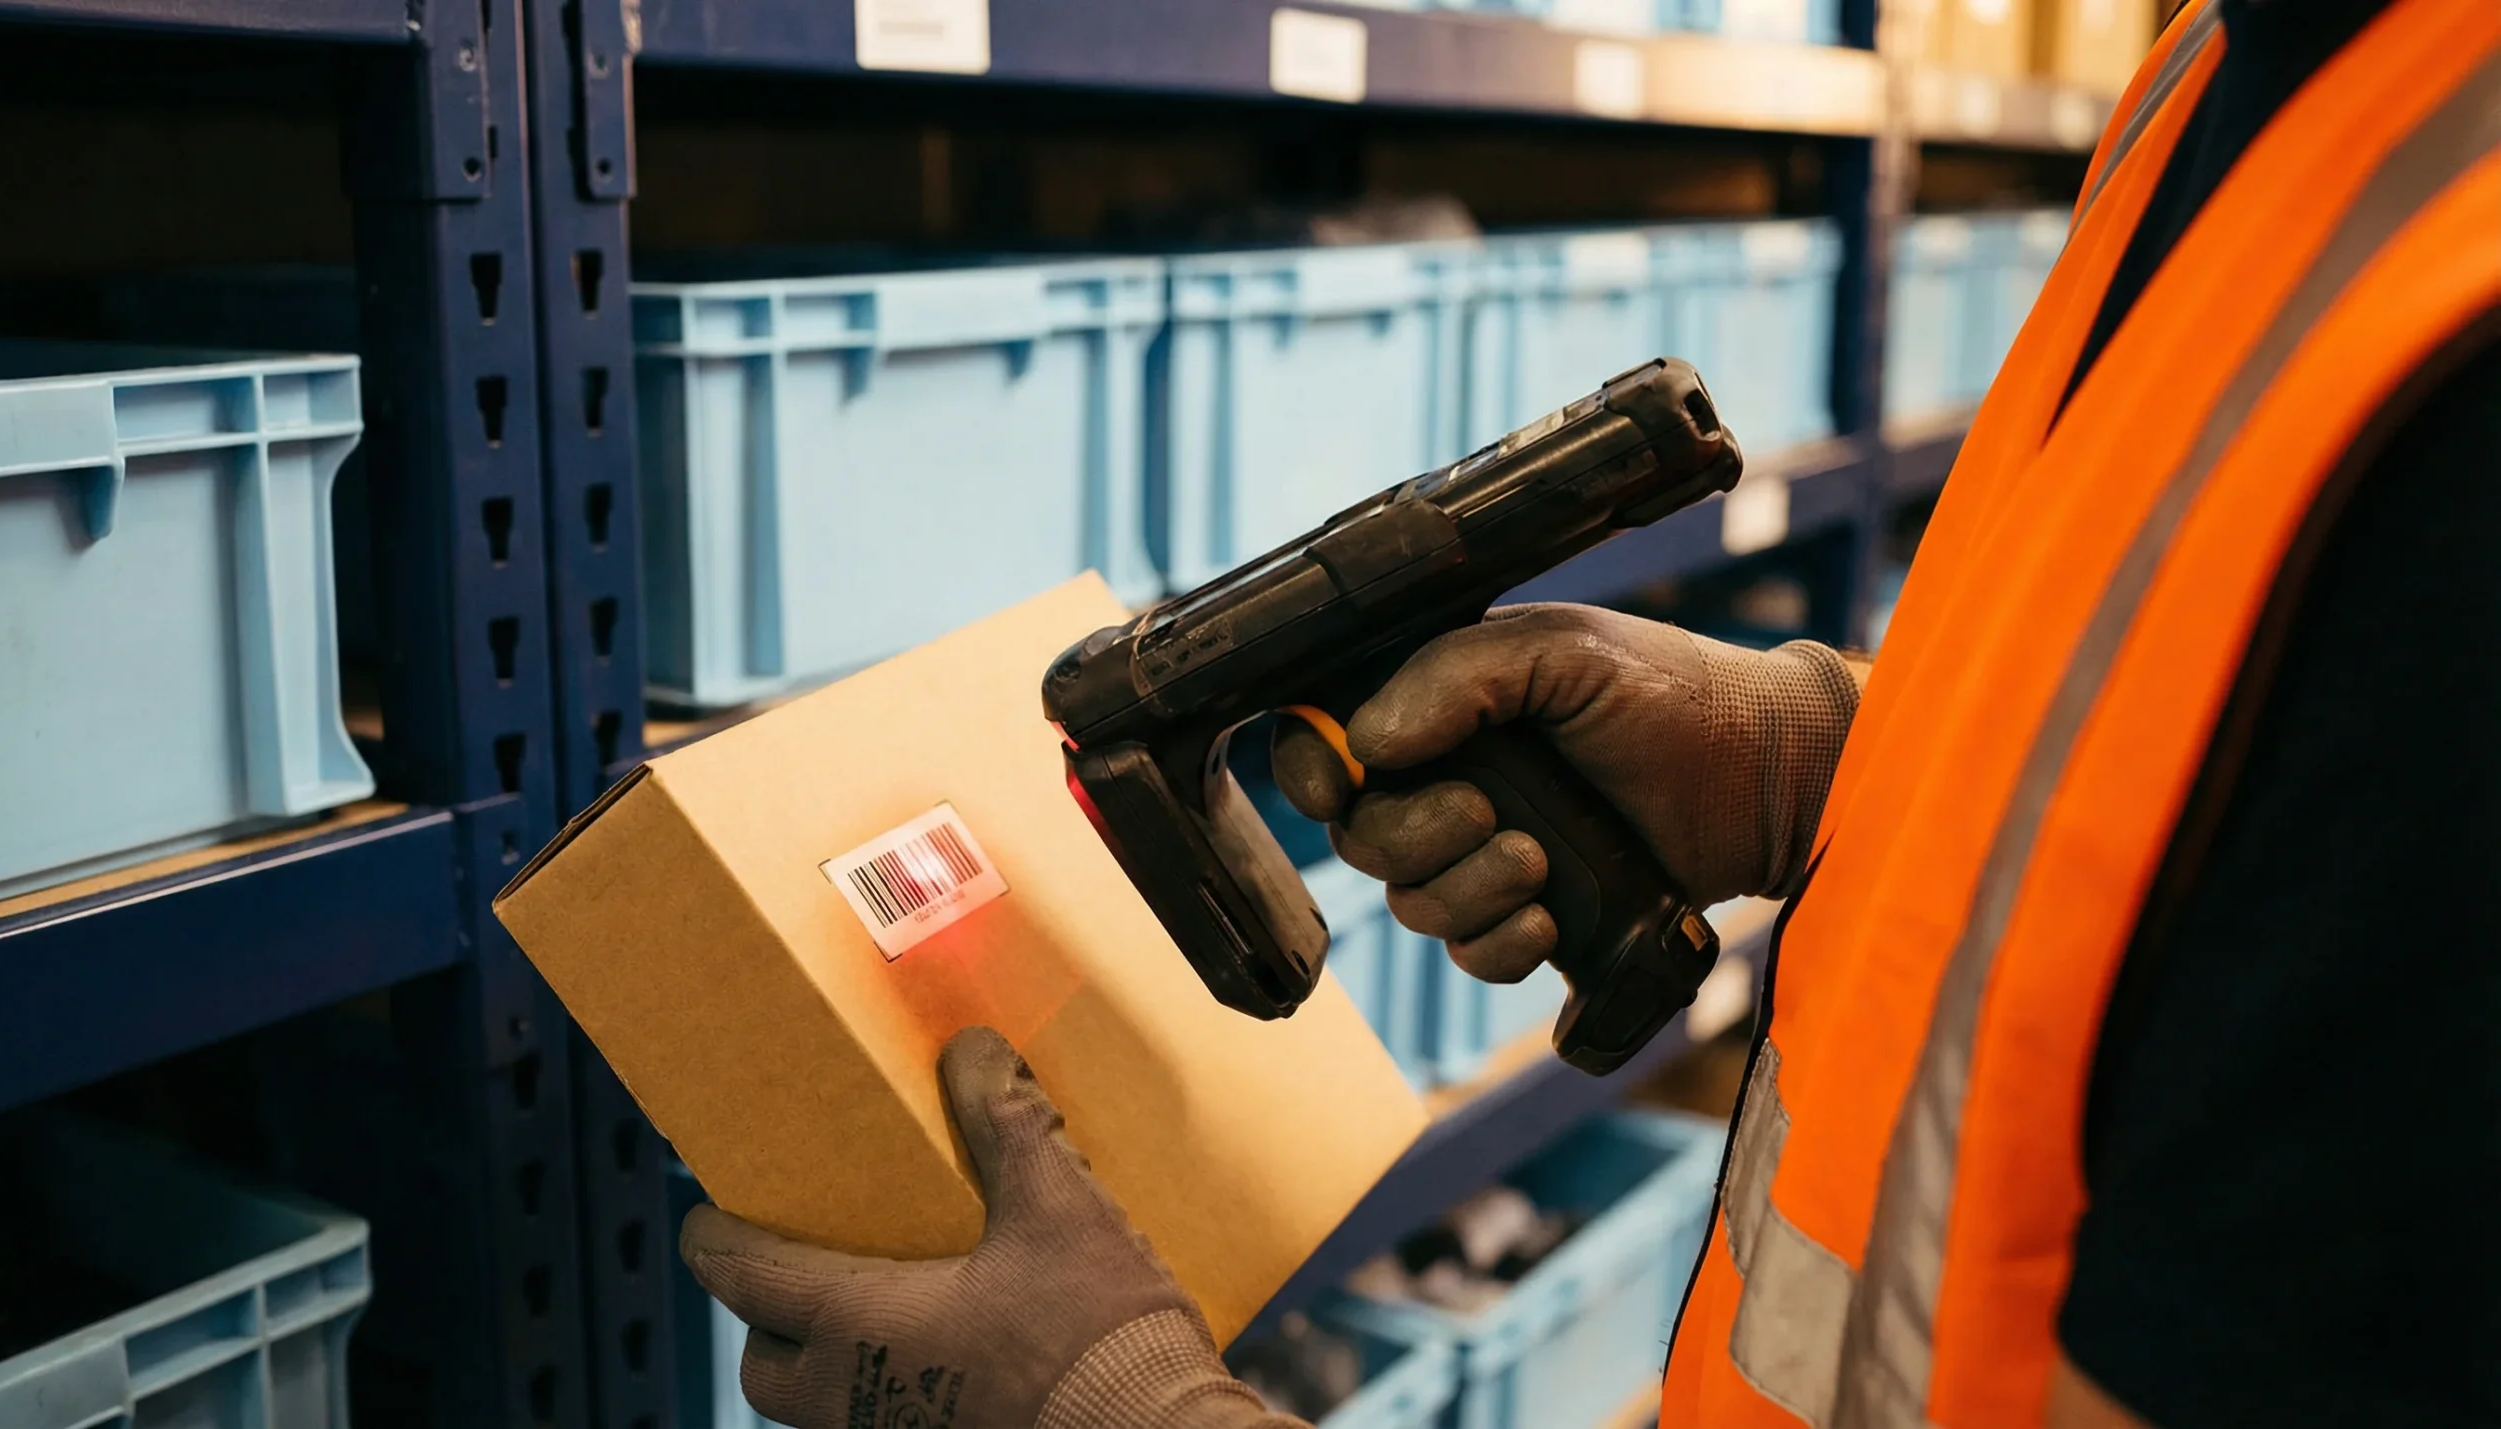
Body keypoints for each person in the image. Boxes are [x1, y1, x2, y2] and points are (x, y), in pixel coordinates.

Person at [678, 0, 2501, 1423]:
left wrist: (1112, 1412)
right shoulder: (2233, 80)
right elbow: (2199, 784)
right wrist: (1825, 763)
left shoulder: (2453, 325)